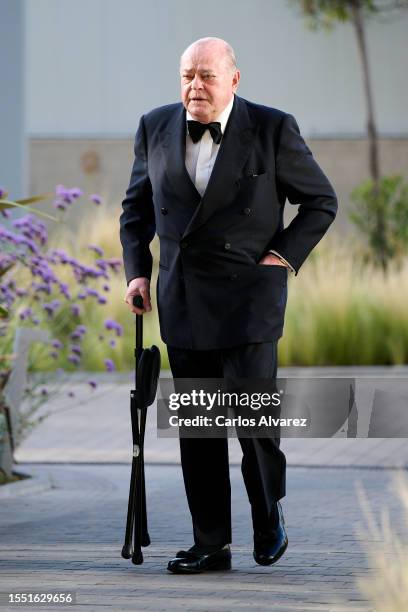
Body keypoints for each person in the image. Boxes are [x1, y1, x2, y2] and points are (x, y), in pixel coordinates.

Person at [120, 37, 337, 574]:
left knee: (253, 422)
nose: (195, 86)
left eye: (207, 77)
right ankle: (211, 543)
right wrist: (137, 274)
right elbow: (135, 211)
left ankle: (268, 515)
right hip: (184, 297)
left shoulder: (272, 127)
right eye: (188, 75)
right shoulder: (154, 124)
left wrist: (281, 257)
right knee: (199, 429)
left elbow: (320, 201)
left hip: (249, 299)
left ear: (233, 80)